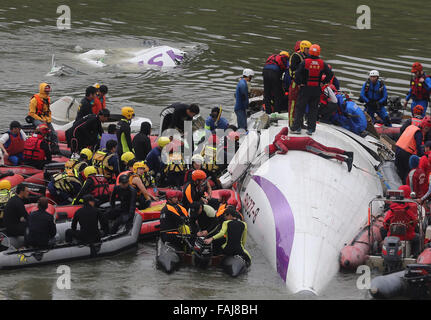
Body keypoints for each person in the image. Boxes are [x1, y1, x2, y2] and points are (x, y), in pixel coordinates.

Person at [266, 127, 354, 172]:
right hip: (306, 139)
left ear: (272, 150)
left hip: (306, 145)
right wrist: (285, 136)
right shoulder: (277, 137)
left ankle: (346, 159)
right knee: (326, 148)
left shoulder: (278, 144)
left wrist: (279, 152)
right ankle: (347, 153)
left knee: (325, 154)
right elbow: (285, 129)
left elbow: (285, 150)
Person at [290, 44, 333, 135]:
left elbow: (297, 73)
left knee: (300, 108)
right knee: (313, 109)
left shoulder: (305, 62)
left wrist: (299, 83)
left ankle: (297, 128)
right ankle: (310, 129)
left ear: (310, 51)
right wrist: (323, 82)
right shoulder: (322, 63)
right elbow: (330, 74)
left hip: (305, 88)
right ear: (318, 52)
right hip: (316, 89)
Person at [383, 185, 420, 257]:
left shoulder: (391, 210)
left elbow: (385, 224)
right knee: (418, 238)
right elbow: (414, 222)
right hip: (407, 235)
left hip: (392, 235)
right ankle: (415, 255)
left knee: (383, 231)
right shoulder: (407, 210)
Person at [395, 116, 431, 182]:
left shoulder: (410, 127)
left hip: (397, 149)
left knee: (399, 171)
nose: (427, 130)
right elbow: (418, 148)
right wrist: (424, 156)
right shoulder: (419, 133)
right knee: (407, 173)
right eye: (426, 128)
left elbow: (402, 132)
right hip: (406, 153)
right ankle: (406, 187)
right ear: (423, 125)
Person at [27, 83, 59, 153]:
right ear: (42, 90)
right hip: (35, 118)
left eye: (48, 91)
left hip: (45, 118)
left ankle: (55, 149)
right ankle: (41, 145)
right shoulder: (34, 100)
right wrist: (42, 120)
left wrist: (48, 120)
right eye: (46, 91)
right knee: (43, 129)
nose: (47, 92)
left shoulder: (47, 99)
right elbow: (31, 113)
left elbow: (48, 111)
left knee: (54, 134)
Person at [288, 40, 311, 127]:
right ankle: (291, 124)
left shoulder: (307, 57)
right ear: (302, 48)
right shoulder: (295, 56)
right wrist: (299, 82)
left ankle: (300, 123)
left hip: (304, 85)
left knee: (302, 105)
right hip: (295, 84)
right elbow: (293, 71)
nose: (309, 51)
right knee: (293, 104)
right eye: (307, 49)